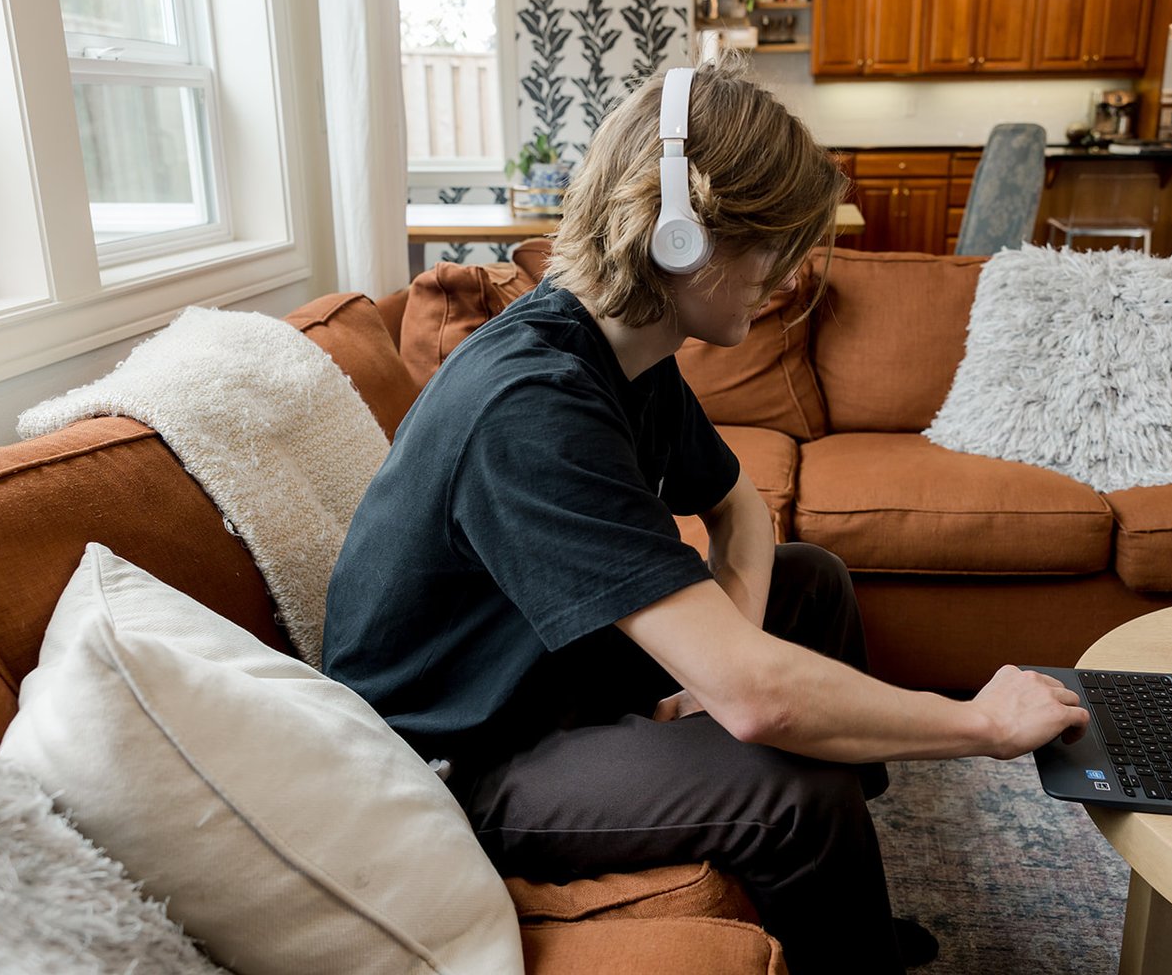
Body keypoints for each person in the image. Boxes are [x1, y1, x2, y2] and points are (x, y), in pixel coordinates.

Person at [323, 54, 1088, 975]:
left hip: (553, 671)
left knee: (813, 581)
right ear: (680, 238)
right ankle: (844, 914)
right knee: (790, 786)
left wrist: (723, 660)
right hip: (463, 758)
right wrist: (981, 726)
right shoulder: (532, 404)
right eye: (774, 247)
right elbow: (762, 702)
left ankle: (837, 895)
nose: (791, 275)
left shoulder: (625, 351)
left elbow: (741, 511)